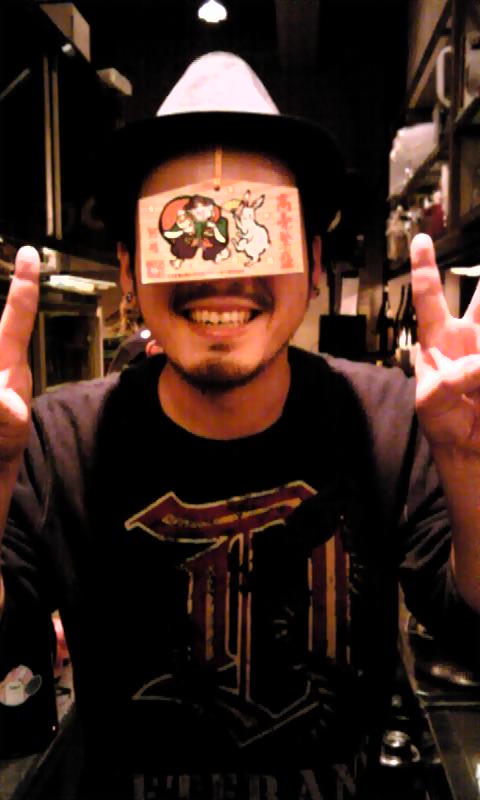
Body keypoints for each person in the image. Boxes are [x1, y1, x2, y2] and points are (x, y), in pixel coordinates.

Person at [1, 51, 480, 800]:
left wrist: (473, 470)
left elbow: (470, 625)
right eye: (182, 232)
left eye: (256, 227)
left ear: (313, 264)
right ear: (128, 269)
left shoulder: (391, 420)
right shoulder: (55, 444)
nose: (221, 275)